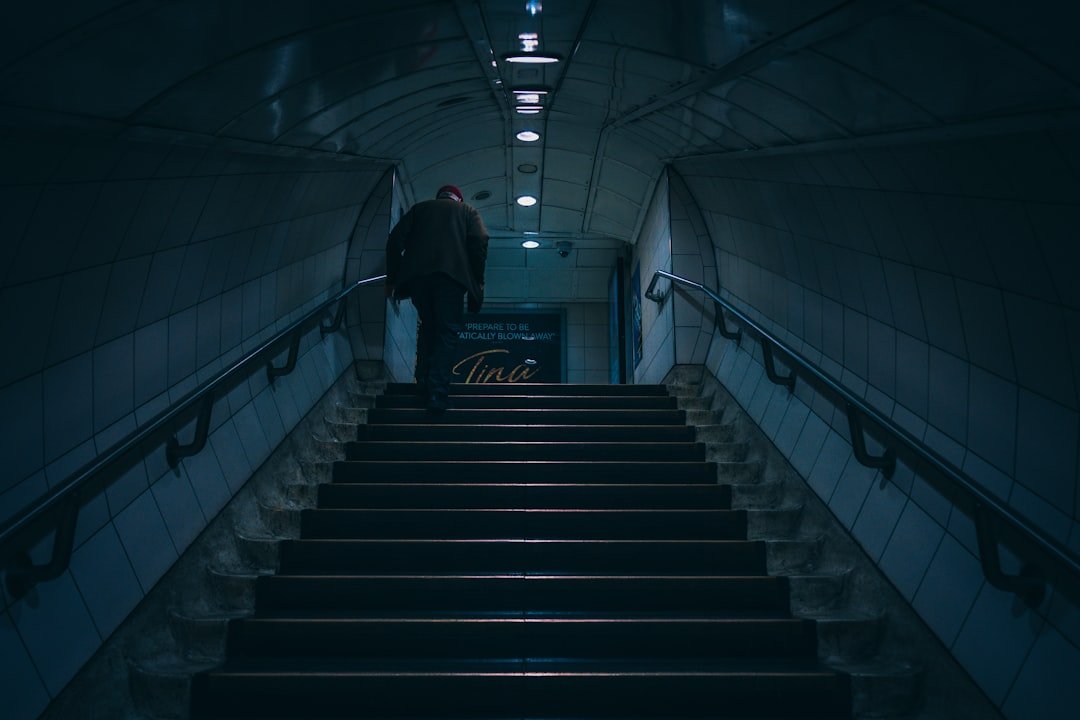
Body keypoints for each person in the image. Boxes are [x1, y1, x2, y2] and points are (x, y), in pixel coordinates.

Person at [386, 184, 488, 413]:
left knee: (428, 327)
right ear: (458, 200)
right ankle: (437, 393)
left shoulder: (419, 209)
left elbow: (394, 240)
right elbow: (480, 239)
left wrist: (393, 278)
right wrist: (476, 278)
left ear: (439, 197)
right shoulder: (467, 212)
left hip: (418, 280)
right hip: (451, 279)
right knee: (447, 331)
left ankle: (422, 383)